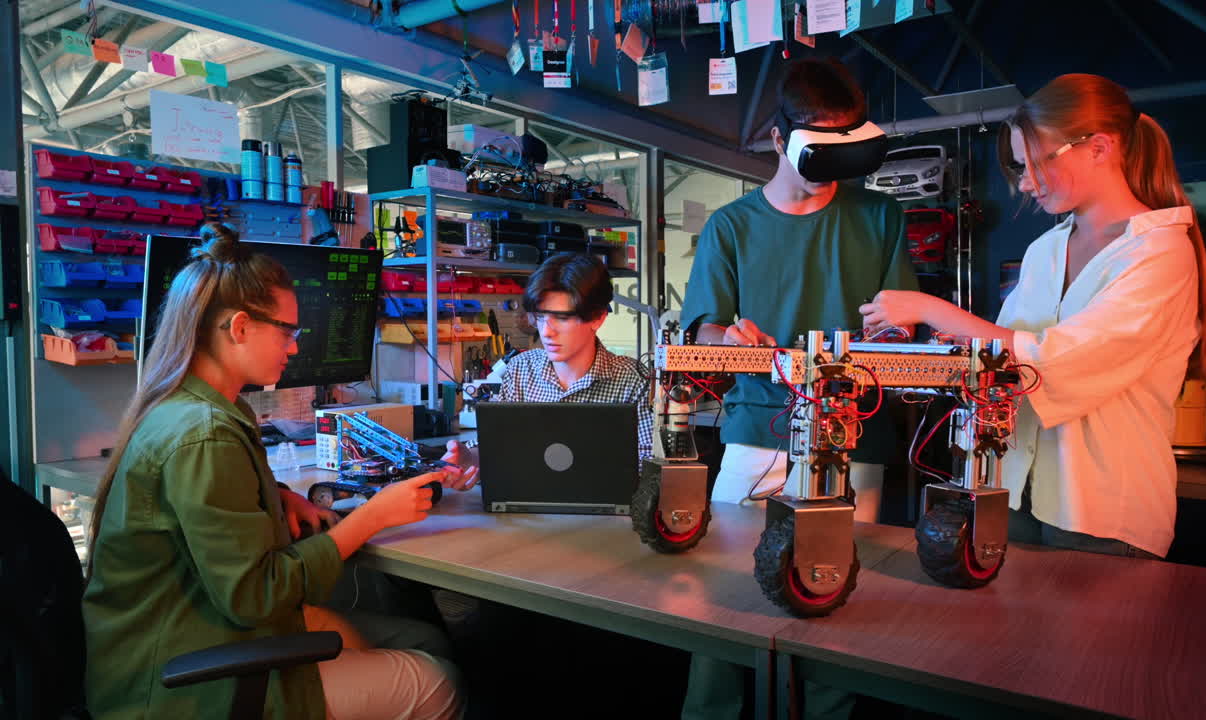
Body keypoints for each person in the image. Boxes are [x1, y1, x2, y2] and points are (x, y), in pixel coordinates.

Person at [82, 224, 463, 720]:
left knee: (424, 638)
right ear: (240, 328)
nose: (295, 347)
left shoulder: (195, 408)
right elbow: (255, 597)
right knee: (439, 682)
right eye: (288, 331)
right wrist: (373, 517)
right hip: (181, 682)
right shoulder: (205, 434)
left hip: (189, 634)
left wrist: (276, 494)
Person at [859, 73, 1206, 559]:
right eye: (1019, 168)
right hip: (1014, 493)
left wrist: (931, 307)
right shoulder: (1044, 250)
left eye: (1036, 164)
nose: (1026, 183)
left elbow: (1063, 360)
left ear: (1099, 148)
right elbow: (1006, 358)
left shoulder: (1159, 252)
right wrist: (949, 345)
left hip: (1103, 509)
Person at [678, 57, 918, 720]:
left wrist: (899, 333)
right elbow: (703, 330)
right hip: (757, 430)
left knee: (833, 602)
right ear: (779, 139)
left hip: (853, 438)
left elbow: (902, 322)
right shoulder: (732, 226)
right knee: (720, 601)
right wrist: (729, 337)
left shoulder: (880, 216)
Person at [439, 252, 653, 487]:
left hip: (602, 508)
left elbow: (647, 468)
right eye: (540, 317)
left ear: (597, 318)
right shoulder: (522, 369)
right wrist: (468, 460)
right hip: (526, 505)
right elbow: (499, 445)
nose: (547, 331)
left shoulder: (634, 379)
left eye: (561, 318)